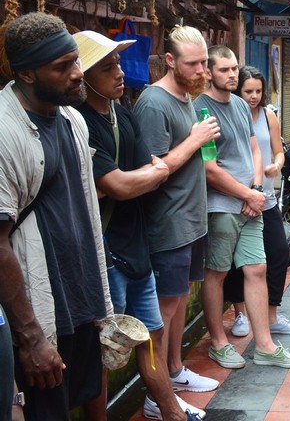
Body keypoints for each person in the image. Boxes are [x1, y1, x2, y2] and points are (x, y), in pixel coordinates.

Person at [73, 31, 203, 421]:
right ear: (83, 74)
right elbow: (118, 184)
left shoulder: (120, 110)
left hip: (136, 245)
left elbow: (146, 167)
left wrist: (153, 170)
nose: (119, 73)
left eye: (117, 64)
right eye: (107, 66)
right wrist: (157, 170)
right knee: (106, 348)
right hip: (107, 251)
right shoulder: (83, 121)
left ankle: (170, 412)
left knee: (151, 336)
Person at [0, 12, 114, 421]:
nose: (77, 74)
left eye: (75, 61)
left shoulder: (72, 119)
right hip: (39, 312)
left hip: (80, 300)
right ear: (27, 75)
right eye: (62, 67)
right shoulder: (5, 130)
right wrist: (30, 337)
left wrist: (101, 306)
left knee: (77, 399)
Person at [194, 47, 290, 370]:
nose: (231, 74)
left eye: (233, 69)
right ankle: (218, 342)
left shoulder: (241, 106)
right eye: (224, 69)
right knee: (216, 273)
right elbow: (209, 167)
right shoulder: (202, 109)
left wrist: (256, 190)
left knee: (257, 269)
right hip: (221, 206)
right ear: (209, 73)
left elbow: (256, 150)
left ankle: (266, 345)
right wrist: (247, 194)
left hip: (250, 203)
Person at [132, 26, 221, 394]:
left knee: (180, 296)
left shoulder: (188, 96)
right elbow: (153, 171)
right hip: (167, 223)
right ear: (170, 61)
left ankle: (175, 369)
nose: (203, 71)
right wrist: (195, 140)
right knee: (162, 310)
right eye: (194, 64)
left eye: (204, 62)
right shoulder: (154, 103)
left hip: (191, 220)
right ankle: (157, 393)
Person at [224, 66, 290, 339]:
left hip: (266, 200)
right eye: (248, 91)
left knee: (278, 254)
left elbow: (279, 152)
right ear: (238, 91)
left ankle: (271, 316)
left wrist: (276, 166)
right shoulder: (232, 114)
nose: (254, 96)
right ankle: (240, 314)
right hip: (236, 200)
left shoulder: (269, 116)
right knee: (238, 264)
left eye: (258, 91)